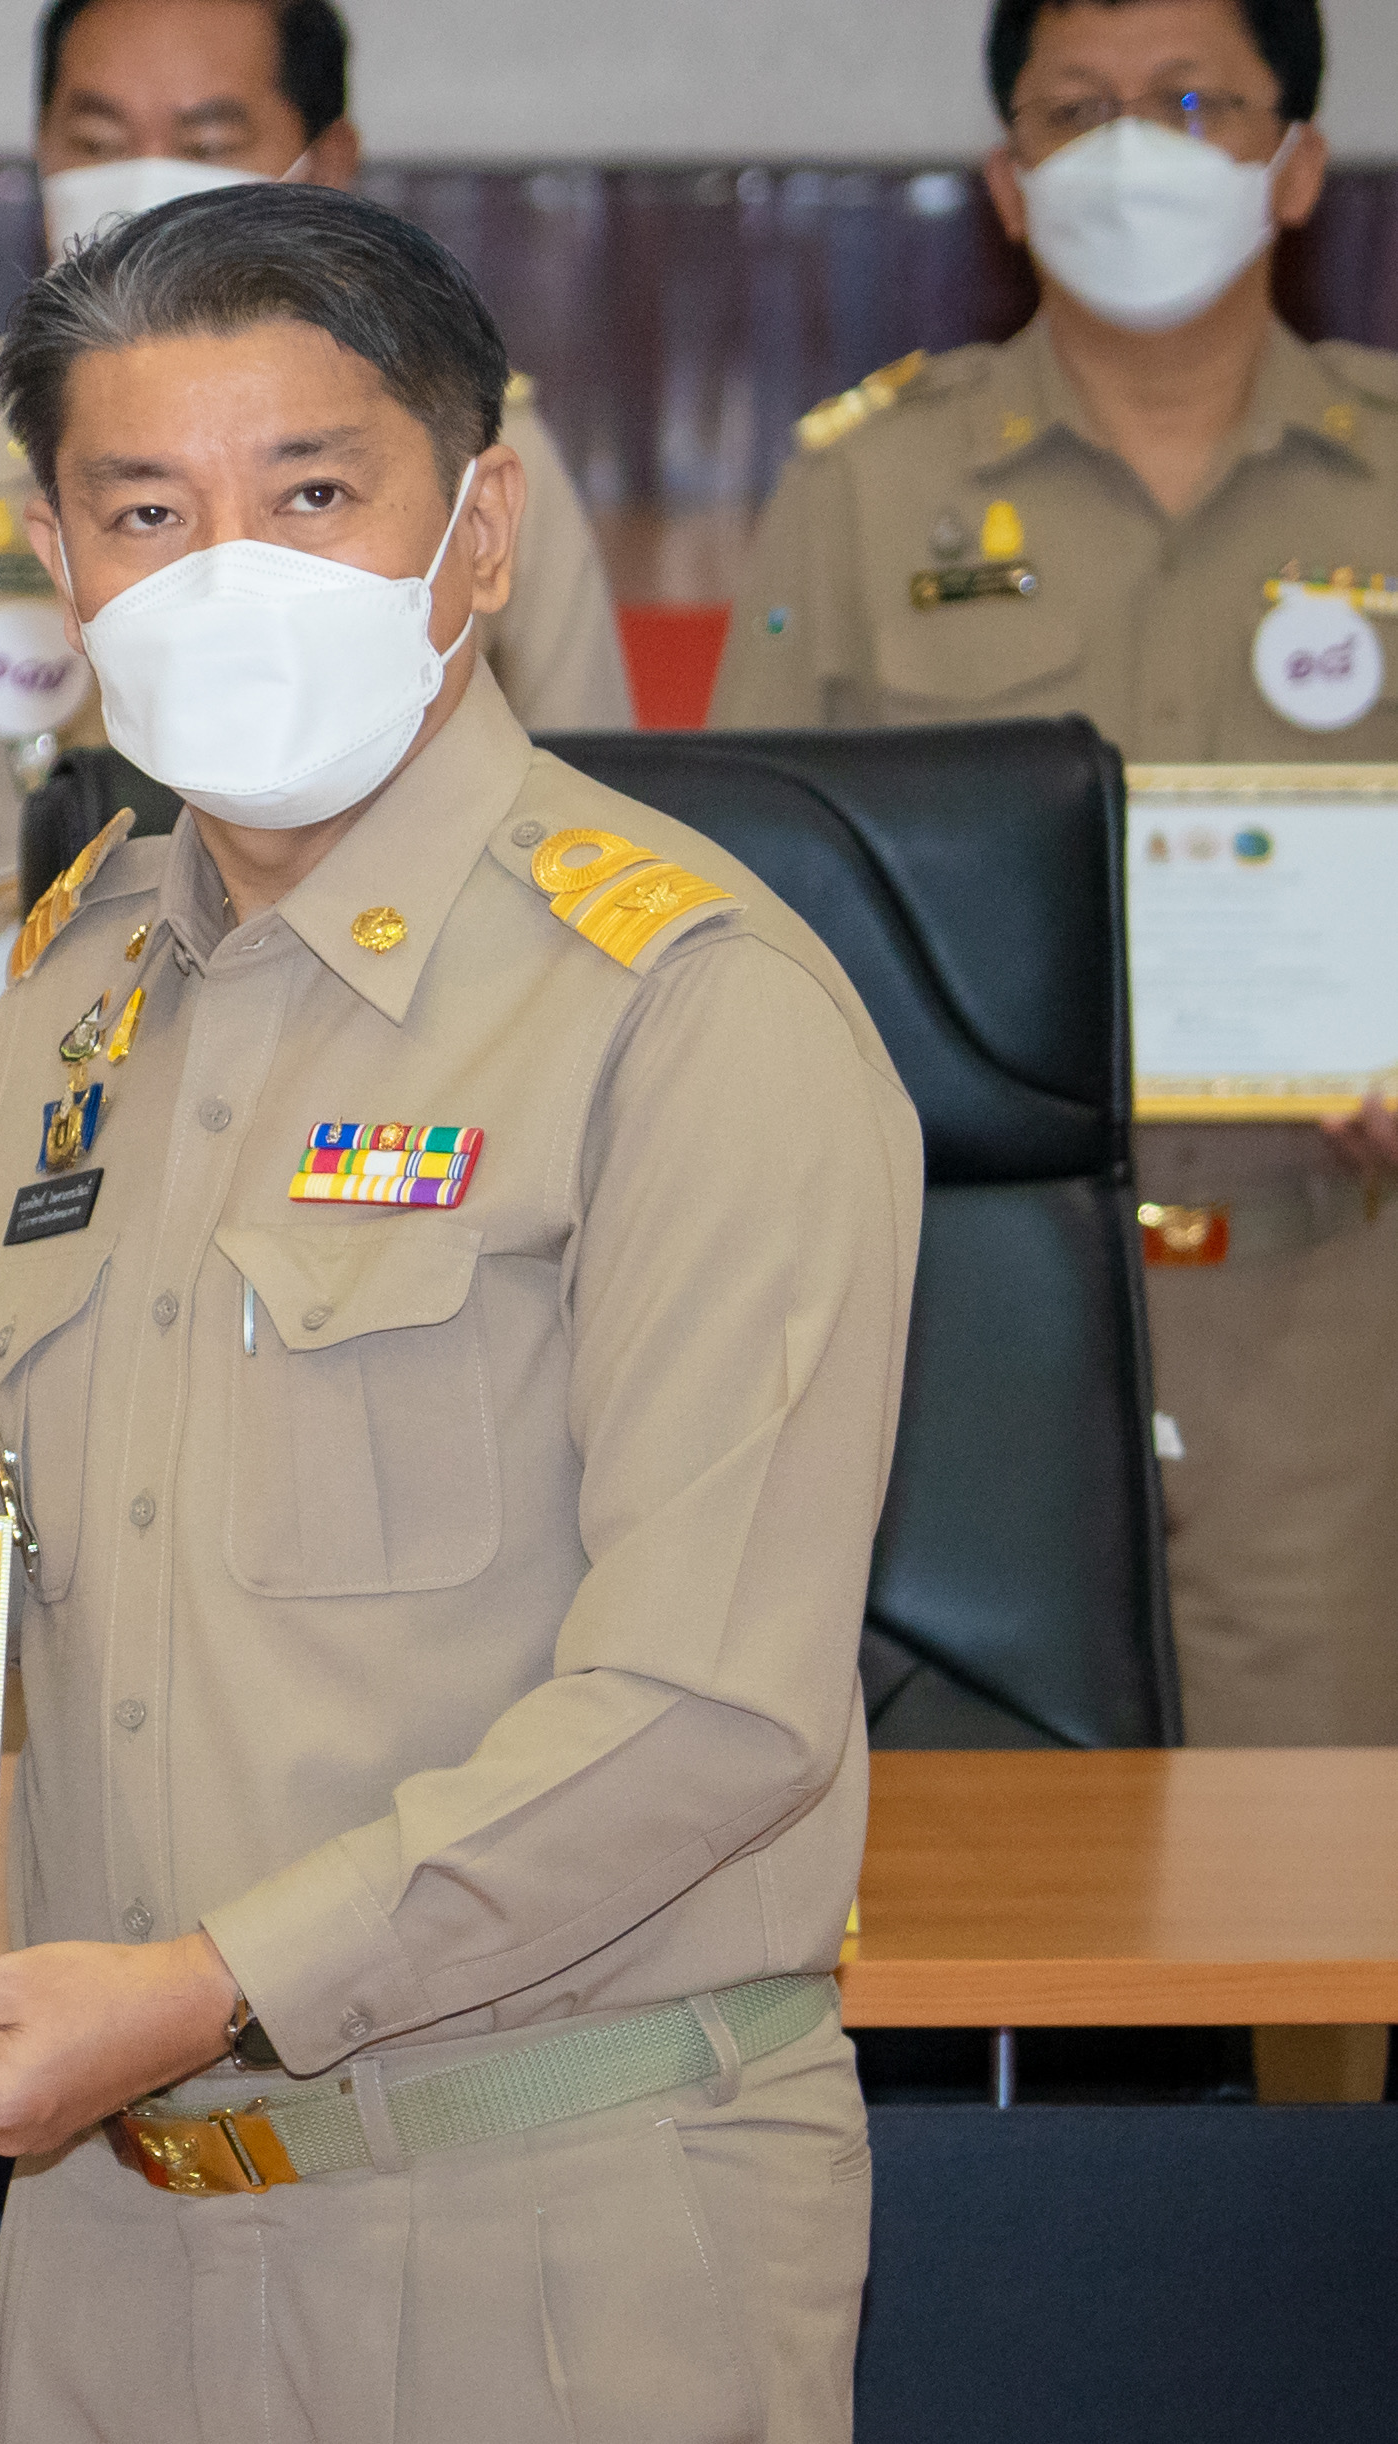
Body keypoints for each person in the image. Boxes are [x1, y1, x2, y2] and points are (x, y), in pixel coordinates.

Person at [0, 185, 916, 2442]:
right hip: (124, 2232)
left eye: (314, 493)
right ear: (60, 562)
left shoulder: (684, 1005)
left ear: (478, 530)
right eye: (149, 511)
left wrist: (204, 1987)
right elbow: (98, 1526)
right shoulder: (68, 999)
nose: (232, 575)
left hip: (557, 2223)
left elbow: (712, 1709)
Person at [0, 0, 635, 1378]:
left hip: (416, 1220)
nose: (142, 180)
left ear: (325, 158)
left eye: (204, 137)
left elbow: (597, 841)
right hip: (25, 1240)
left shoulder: (465, 453)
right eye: (97, 137)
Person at [713, 0, 1398, 1749]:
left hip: (1338, 1294)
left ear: (1296, 163)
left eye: (1188, 103)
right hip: (956, 1319)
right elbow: (734, 900)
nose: (1131, 152)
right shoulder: (864, 488)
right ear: (1009, 185)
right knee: (986, 1867)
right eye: (1075, 112)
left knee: (1316, 1888)